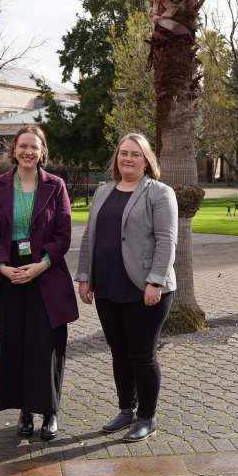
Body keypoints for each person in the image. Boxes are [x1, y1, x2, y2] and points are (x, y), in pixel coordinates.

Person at [0, 125, 77, 441]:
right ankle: (25, 411)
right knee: (14, 345)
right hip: (9, 277)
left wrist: (41, 265)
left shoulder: (56, 186)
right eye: (23, 146)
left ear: (42, 151)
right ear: (14, 150)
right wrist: (3, 267)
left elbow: (63, 235)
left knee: (46, 347)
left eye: (34, 146)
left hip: (45, 274)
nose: (28, 152)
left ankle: (49, 412)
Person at [76, 133, 177, 443]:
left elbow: (166, 240)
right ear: (116, 158)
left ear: (147, 160)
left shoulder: (159, 193)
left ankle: (147, 417)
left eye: (135, 154)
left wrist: (155, 280)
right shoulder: (104, 192)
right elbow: (88, 237)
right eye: (123, 153)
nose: (128, 158)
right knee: (119, 352)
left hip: (145, 289)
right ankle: (126, 410)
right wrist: (84, 276)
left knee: (142, 355)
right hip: (107, 286)